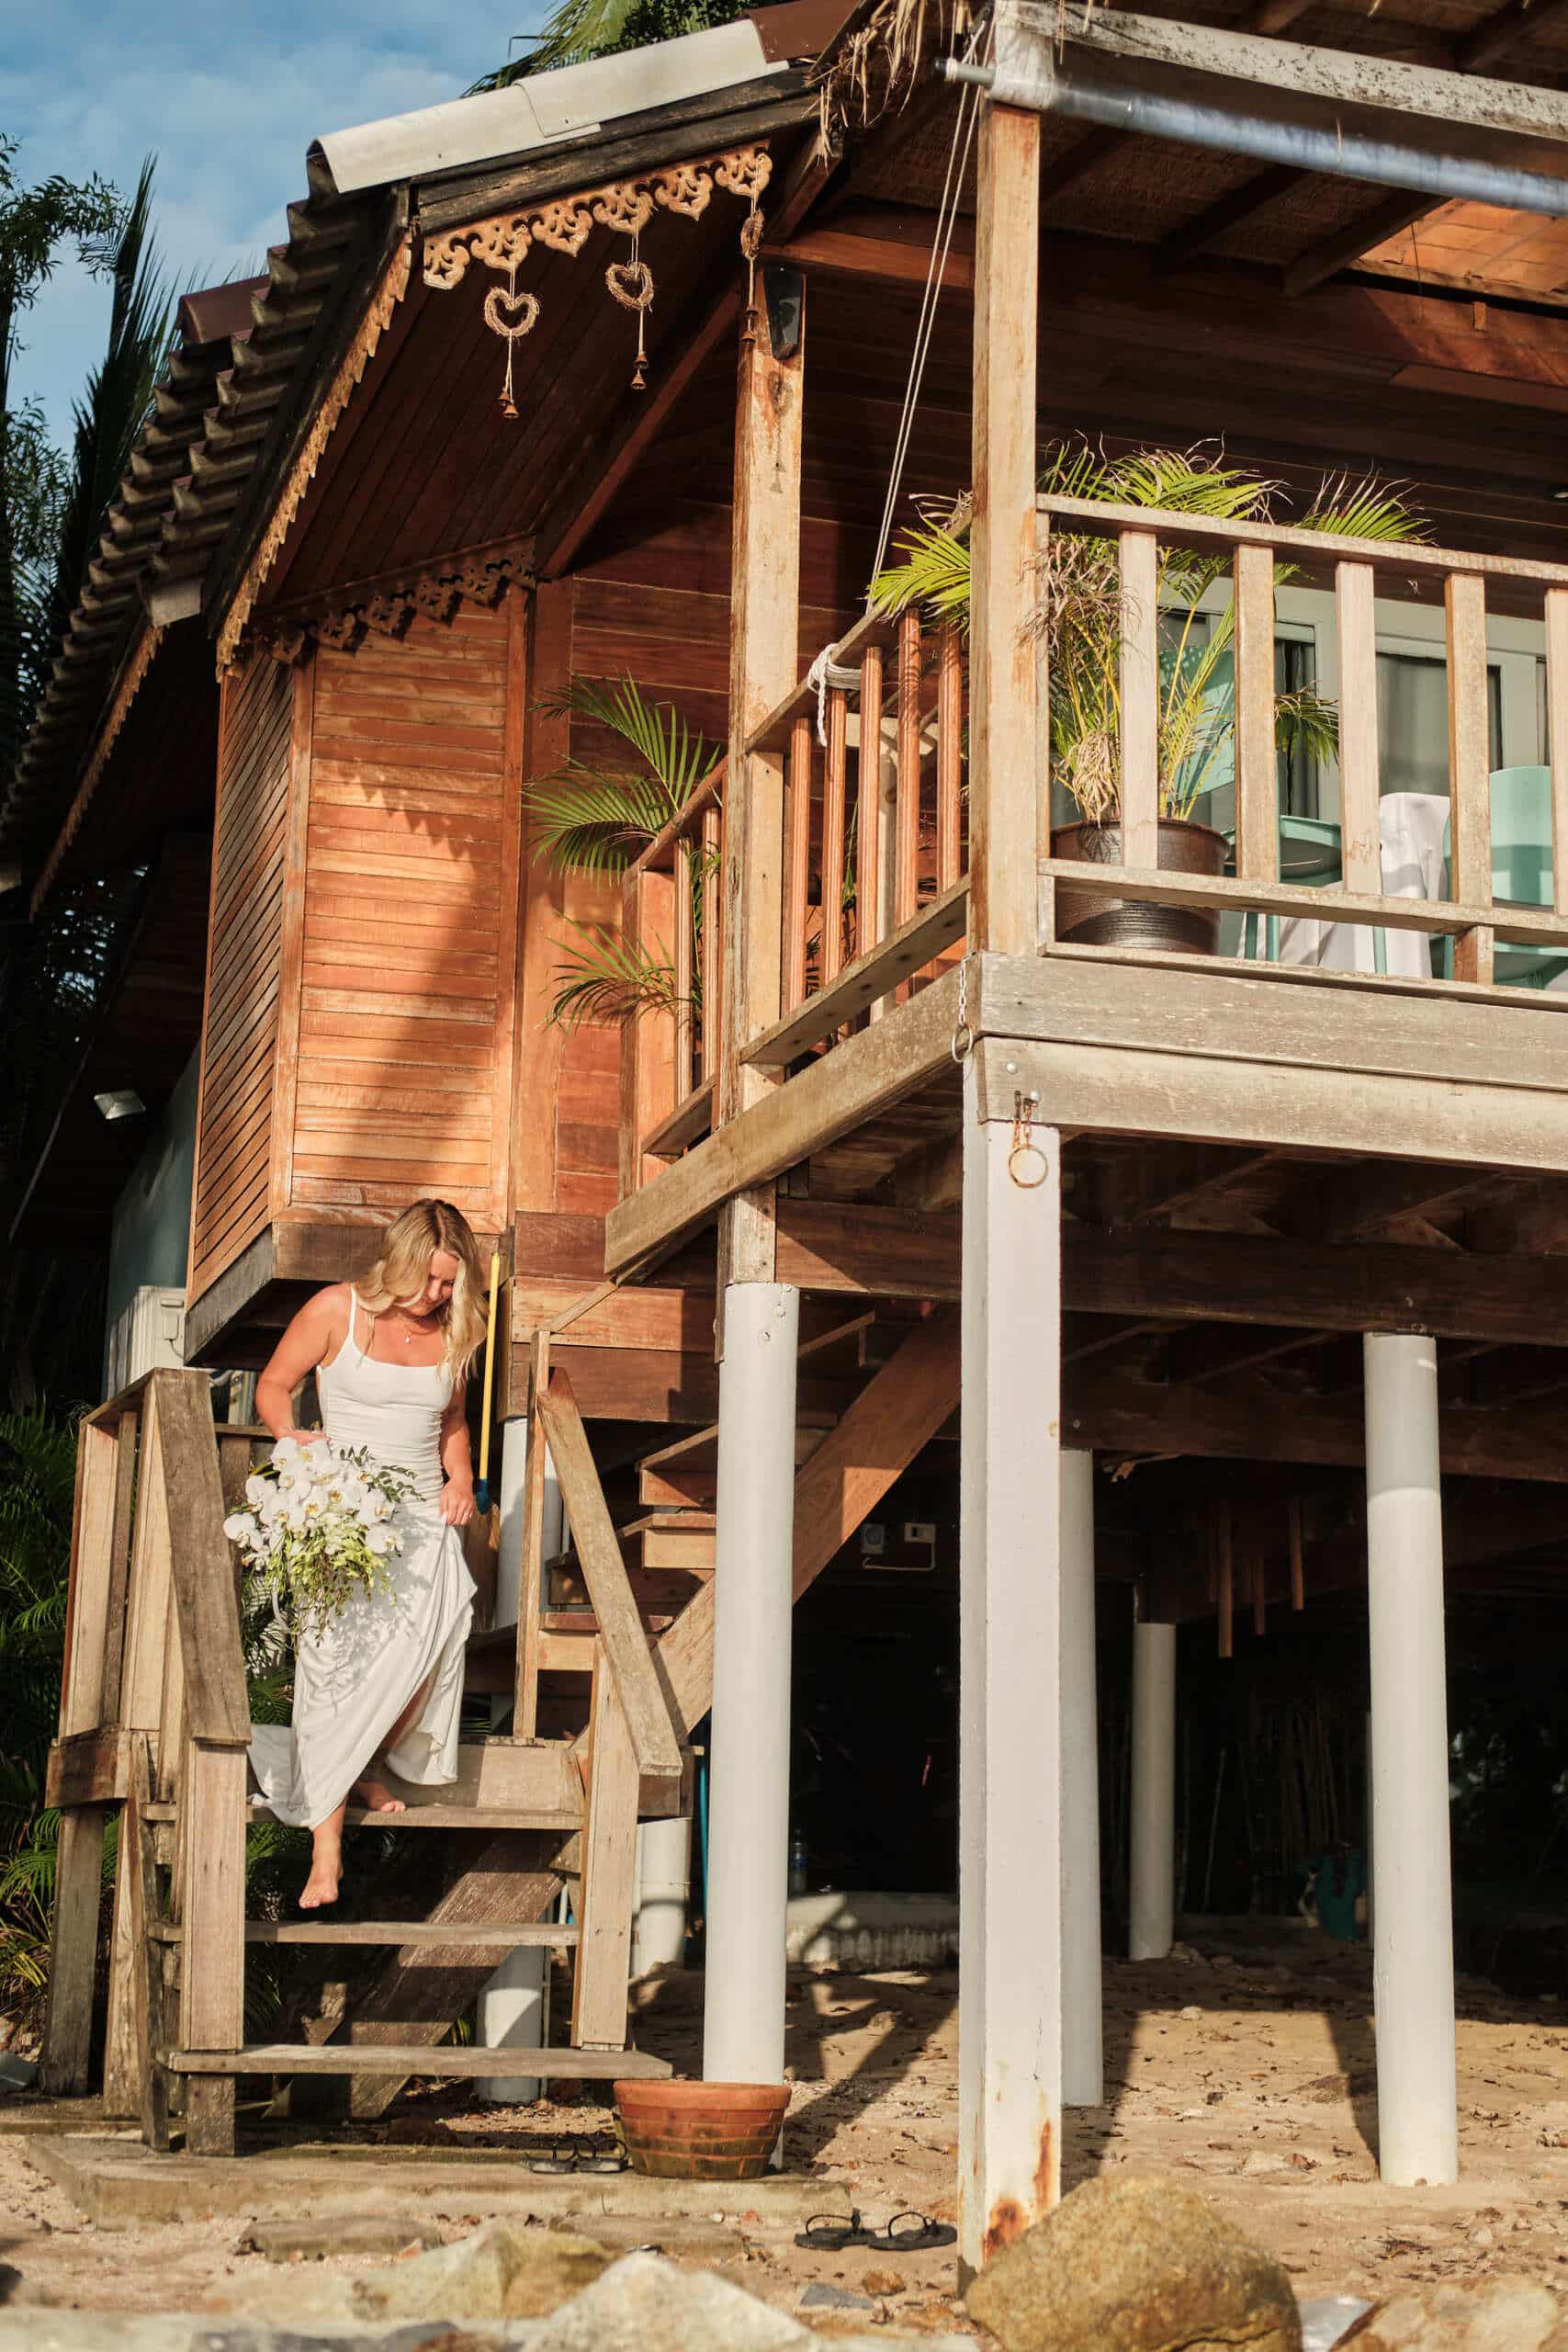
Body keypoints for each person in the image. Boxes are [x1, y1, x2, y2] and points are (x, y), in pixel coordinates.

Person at [247, 1199, 486, 1908]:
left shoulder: (456, 1329)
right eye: (430, 1280)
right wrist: (292, 1436)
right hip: (344, 1514)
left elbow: (452, 1421)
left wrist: (462, 1476)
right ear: (399, 1261)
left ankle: (368, 1761)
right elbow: (273, 1386)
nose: (437, 1295)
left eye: (449, 1283)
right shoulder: (334, 1310)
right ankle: (327, 1854)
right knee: (334, 1667)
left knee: (433, 1652)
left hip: (421, 1515)